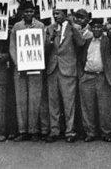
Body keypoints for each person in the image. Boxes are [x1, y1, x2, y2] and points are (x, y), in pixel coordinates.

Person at [79, 18, 111, 142]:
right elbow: (80, 56)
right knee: (88, 106)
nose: (96, 29)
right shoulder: (86, 41)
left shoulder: (107, 40)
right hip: (88, 76)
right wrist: (82, 74)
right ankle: (90, 132)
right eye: (94, 27)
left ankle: (106, 132)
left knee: (105, 107)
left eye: (99, 27)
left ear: (102, 28)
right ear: (91, 29)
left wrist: (109, 32)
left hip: (103, 77)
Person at [45, 9, 84, 142]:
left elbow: (81, 43)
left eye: (58, 13)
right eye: (54, 14)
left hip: (67, 69)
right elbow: (44, 49)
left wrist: (73, 27)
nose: (55, 16)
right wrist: (50, 40)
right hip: (53, 69)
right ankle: (54, 130)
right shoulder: (49, 28)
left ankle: (70, 131)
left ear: (65, 14)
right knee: (53, 102)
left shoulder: (74, 28)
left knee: (69, 102)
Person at [9, 1, 46, 142]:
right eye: (26, 11)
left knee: (35, 99)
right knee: (21, 100)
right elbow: (12, 47)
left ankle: (34, 130)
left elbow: (41, 46)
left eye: (31, 11)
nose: (29, 14)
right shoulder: (17, 27)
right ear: (22, 13)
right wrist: (18, 64)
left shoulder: (40, 26)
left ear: (34, 12)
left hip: (35, 67)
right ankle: (22, 130)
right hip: (20, 68)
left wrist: (35, 61)